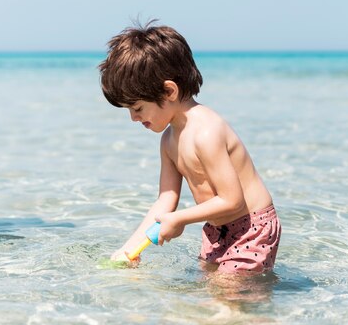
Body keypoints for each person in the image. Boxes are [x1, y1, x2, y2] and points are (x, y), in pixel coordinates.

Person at [98, 21, 281, 273]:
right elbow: (165, 200)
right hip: (218, 229)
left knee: (228, 298)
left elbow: (233, 201)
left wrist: (180, 219)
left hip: (252, 227)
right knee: (209, 294)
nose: (133, 118)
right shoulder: (168, 141)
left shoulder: (206, 132)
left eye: (137, 108)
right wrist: (129, 249)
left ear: (169, 91)